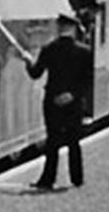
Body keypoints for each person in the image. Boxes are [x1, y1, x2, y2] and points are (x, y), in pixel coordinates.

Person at [23, 13, 92, 189]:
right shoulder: (85, 51)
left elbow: (35, 74)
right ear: (73, 28)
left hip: (52, 101)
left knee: (52, 141)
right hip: (74, 102)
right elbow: (87, 79)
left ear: (58, 27)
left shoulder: (49, 49)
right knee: (73, 141)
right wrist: (73, 95)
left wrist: (28, 61)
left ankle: (47, 179)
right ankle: (77, 178)